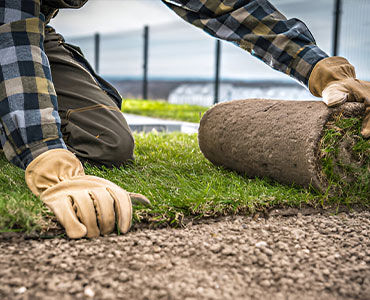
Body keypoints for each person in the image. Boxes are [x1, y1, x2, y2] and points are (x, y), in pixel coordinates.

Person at [1, 0, 369, 239]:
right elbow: (11, 33)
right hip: (10, 23)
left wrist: (320, 67)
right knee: (27, 115)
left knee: (107, 141)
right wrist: (46, 155)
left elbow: (226, 6)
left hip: (35, 27)